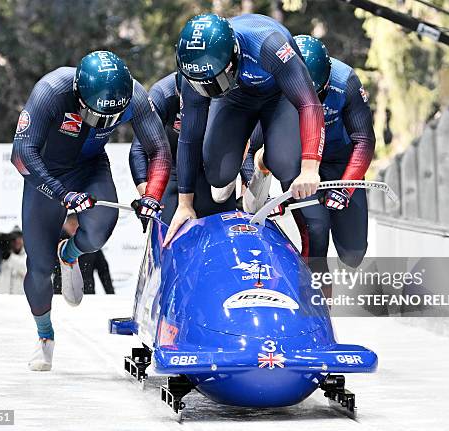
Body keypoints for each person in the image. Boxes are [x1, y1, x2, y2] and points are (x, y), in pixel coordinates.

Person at [11, 50, 171, 371]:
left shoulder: (135, 96)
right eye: (98, 117)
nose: (106, 124)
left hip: (89, 167)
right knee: (40, 268)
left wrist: (152, 194)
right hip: (47, 175)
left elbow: (159, 150)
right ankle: (45, 337)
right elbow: (21, 155)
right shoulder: (51, 91)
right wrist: (61, 193)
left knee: (98, 233)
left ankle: (70, 253)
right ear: (79, 97)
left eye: (113, 119)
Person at [165, 13, 326, 244]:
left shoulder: (270, 45)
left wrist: (310, 168)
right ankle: (238, 149)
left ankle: (261, 161)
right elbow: (189, 137)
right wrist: (185, 204)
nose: (209, 89)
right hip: (234, 97)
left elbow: (309, 103)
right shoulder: (194, 73)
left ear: (234, 56)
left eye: (215, 82)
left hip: (278, 94)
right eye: (204, 85)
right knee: (217, 177)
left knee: (287, 167)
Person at [242, 35, 375, 298]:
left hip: (340, 161)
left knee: (353, 252)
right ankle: (314, 309)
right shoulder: (271, 85)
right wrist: (262, 195)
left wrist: (346, 189)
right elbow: (249, 152)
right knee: (315, 235)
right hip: (300, 163)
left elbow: (364, 140)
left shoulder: (345, 81)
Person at [134, 71, 235, 224]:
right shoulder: (162, 94)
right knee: (167, 224)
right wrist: (148, 197)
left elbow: (242, 139)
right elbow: (139, 149)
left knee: (218, 224)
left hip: (211, 166)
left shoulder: (221, 90)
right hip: (173, 169)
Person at [53, 214, 114, 295]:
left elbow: (103, 270)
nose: (73, 227)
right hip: (60, 294)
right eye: (71, 224)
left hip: (87, 294)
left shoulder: (91, 244)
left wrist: (110, 293)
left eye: (76, 225)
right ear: (65, 225)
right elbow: (45, 268)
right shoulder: (56, 244)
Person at [0, 227, 26, 295]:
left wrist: (9, 256)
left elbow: (26, 270)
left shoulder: (28, 255)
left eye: (19, 238)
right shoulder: (1, 254)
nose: (17, 241)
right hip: (0, 296)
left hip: (19, 297)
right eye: (14, 239)